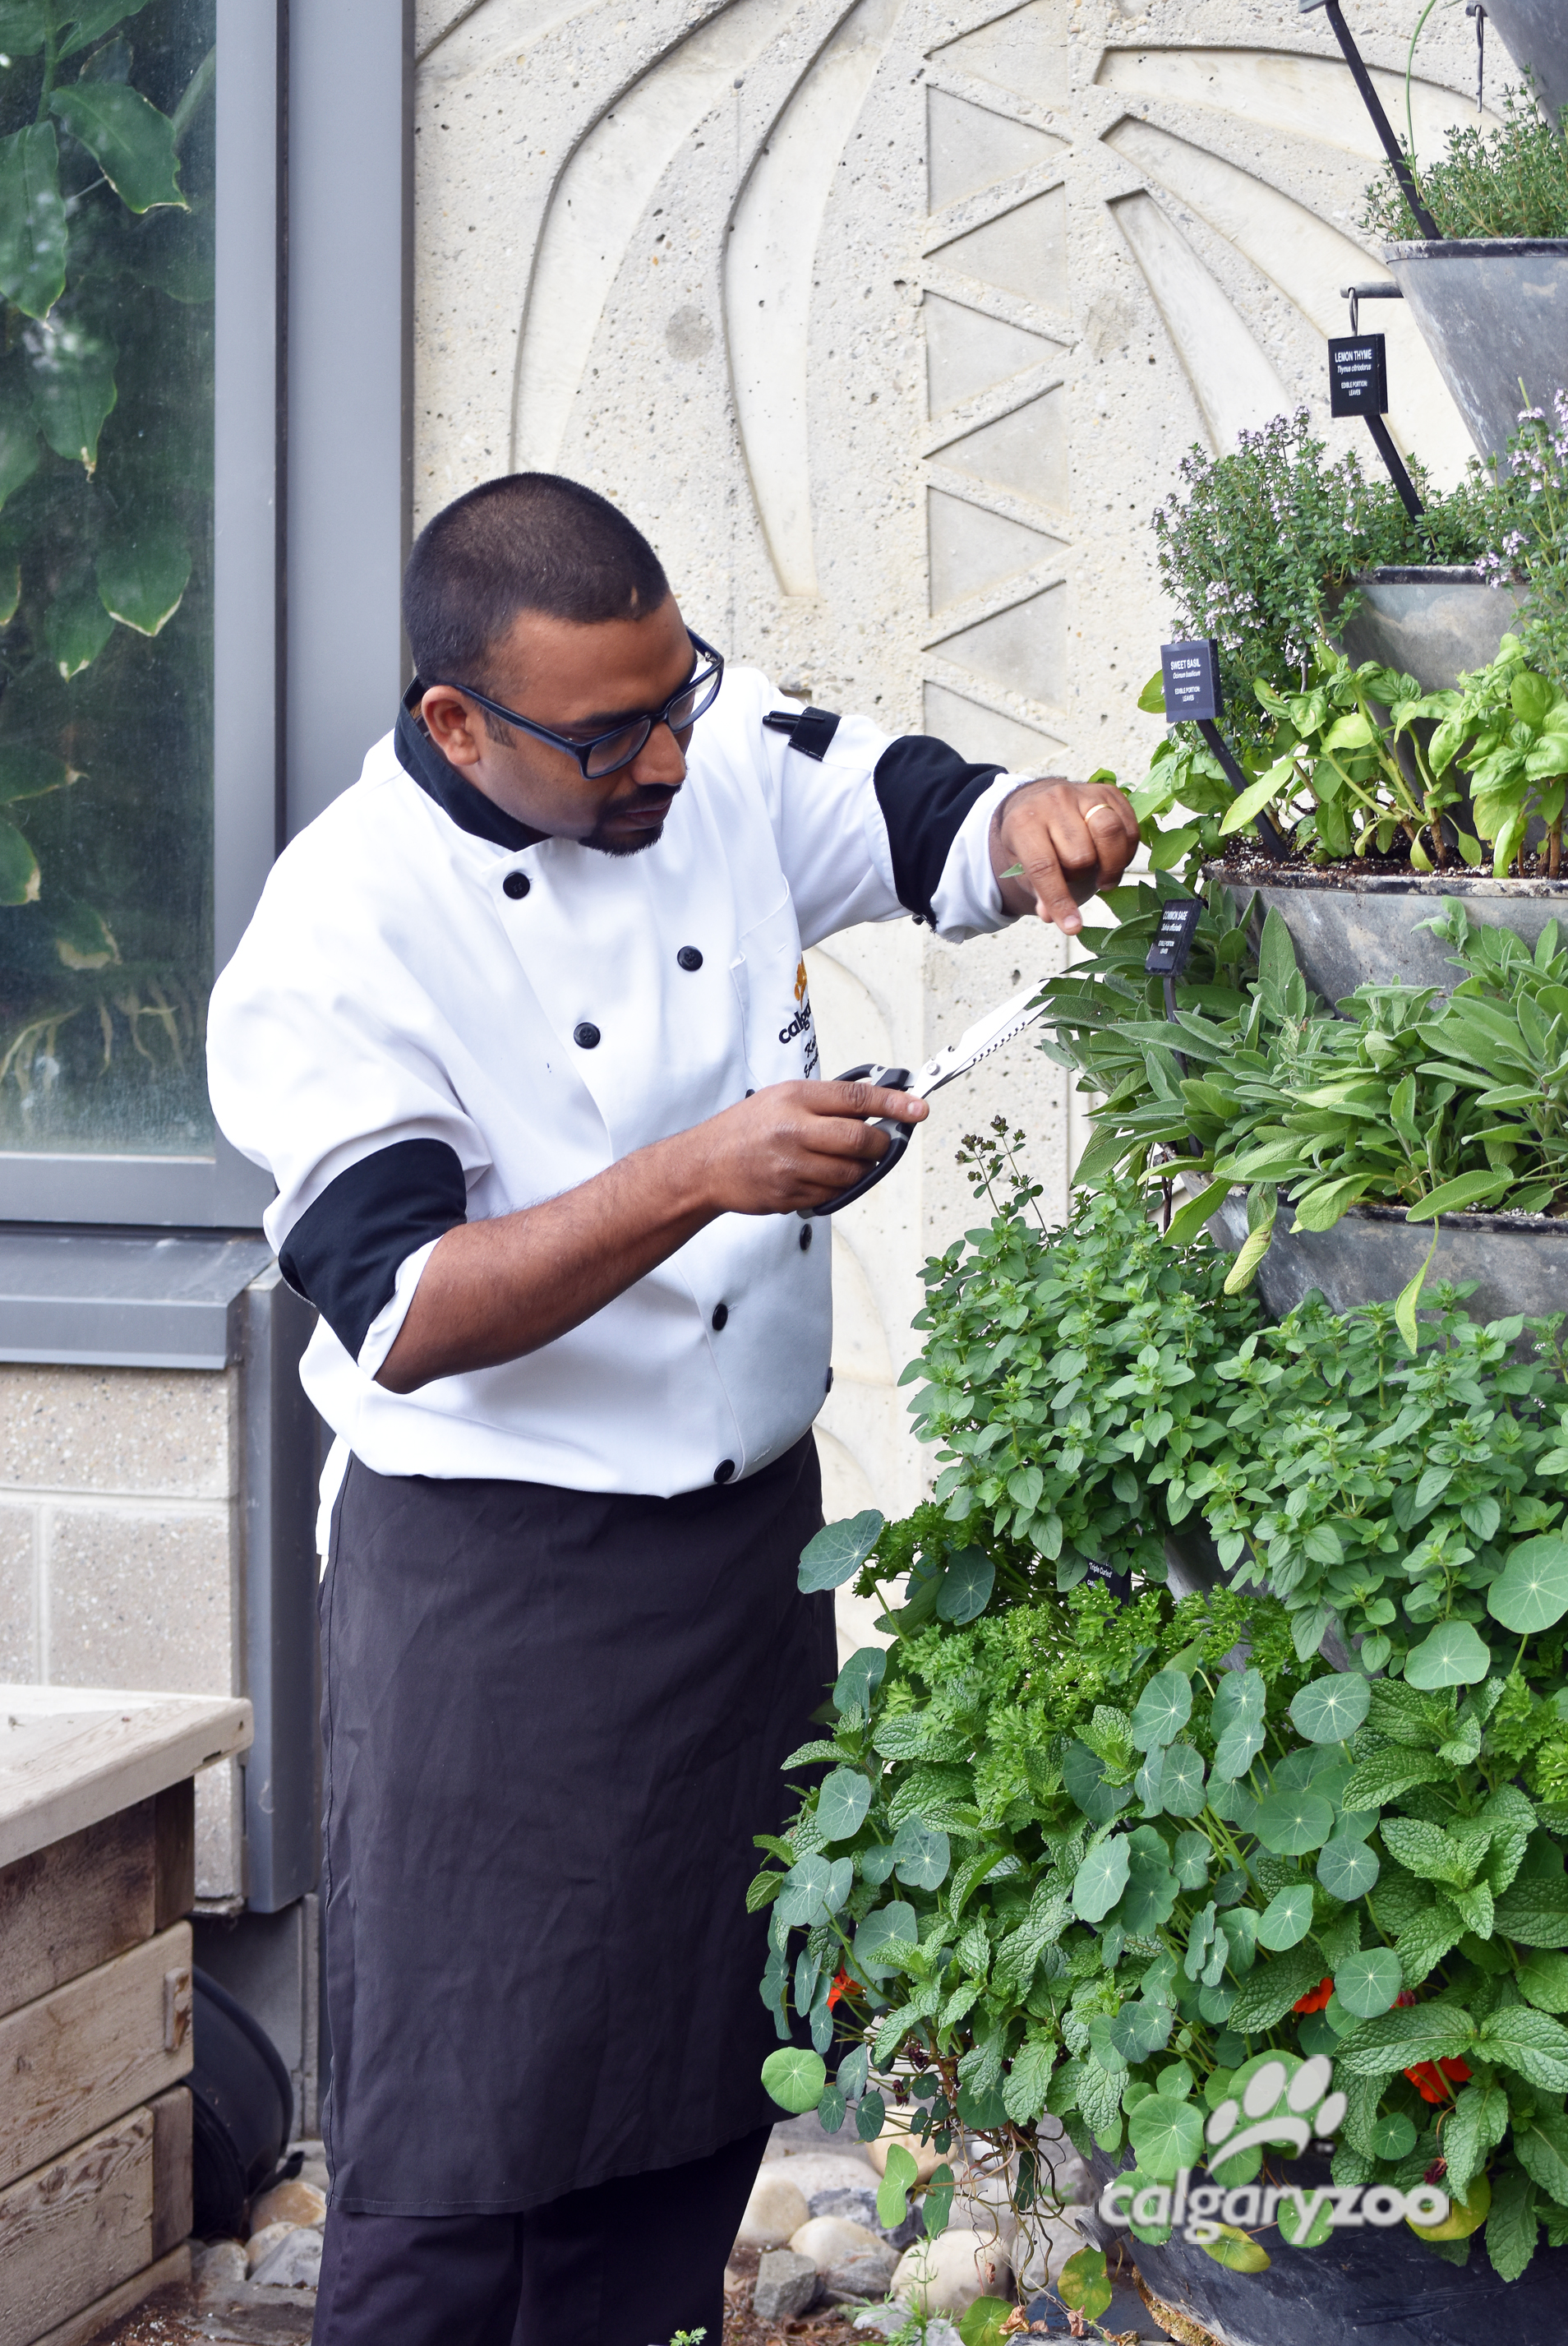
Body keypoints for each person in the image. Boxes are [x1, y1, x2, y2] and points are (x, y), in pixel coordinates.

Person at [206, 473, 1137, 2345]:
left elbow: (920, 818)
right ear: (456, 717)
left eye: (677, 694)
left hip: (741, 1558)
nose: (662, 758)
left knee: (706, 2077)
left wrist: (1032, 821)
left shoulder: (705, 758)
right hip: (494, 1571)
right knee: (461, 2132)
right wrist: (700, 1170)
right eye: (606, 731)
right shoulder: (340, 928)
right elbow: (406, 1306)